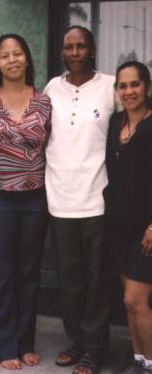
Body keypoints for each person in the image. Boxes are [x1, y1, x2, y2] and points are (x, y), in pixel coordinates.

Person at [44, 25, 117, 374]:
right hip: (59, 201)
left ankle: (95, 347)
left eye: (81, 46)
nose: (75, 52)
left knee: (97, 279)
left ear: (92, 50)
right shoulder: (51, 89)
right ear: (62, 52)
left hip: (97, 200)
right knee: (70, 279)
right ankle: (76, 340)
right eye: (68, 46)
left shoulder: (110, 87)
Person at [0, 34, 51, 370]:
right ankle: (2, 345)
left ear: (27, 58)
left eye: (18, 53)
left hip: (35, 198)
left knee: (28, 272)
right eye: (5, 55)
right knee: (2, 273)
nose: (12, 59)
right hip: (0, 198)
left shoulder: (43, 102)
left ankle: (25, 342)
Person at [104, 61, 152, 374]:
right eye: (122, 86)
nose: (129, 91)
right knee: (127, 301)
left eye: (135, 84)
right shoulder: (113, 124)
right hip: (117, 226)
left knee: (137, 300)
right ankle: (138, 361)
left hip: (146, 230)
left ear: (146, 87)